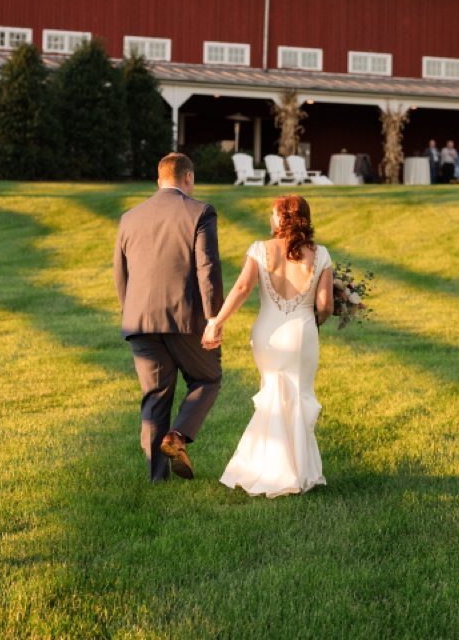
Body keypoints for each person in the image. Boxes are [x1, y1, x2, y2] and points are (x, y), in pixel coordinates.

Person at [206, 194, 333, 497]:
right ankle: (298, 473)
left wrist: (217, 321)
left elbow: (242, 287)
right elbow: (325, 304)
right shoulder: (322, 254)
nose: (270, 218)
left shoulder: (259, 249)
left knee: (272, 394)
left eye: (273, 213)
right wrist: (317, 319)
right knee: (299, 397)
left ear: (283, 218)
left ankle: (264, 469)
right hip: (302, 334)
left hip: (268, 334)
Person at [113, 153, 224, 484]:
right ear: (187, 178)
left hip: (139, 320)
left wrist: (130, 312)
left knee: (155, 396)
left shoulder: (129, 217)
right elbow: (208, 269)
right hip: (184, 317)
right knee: (208, 378)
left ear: (159, 180)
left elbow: (121, 275)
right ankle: (176, 437)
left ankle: (156, 479)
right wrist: (213, 318)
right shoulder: (200, 212)